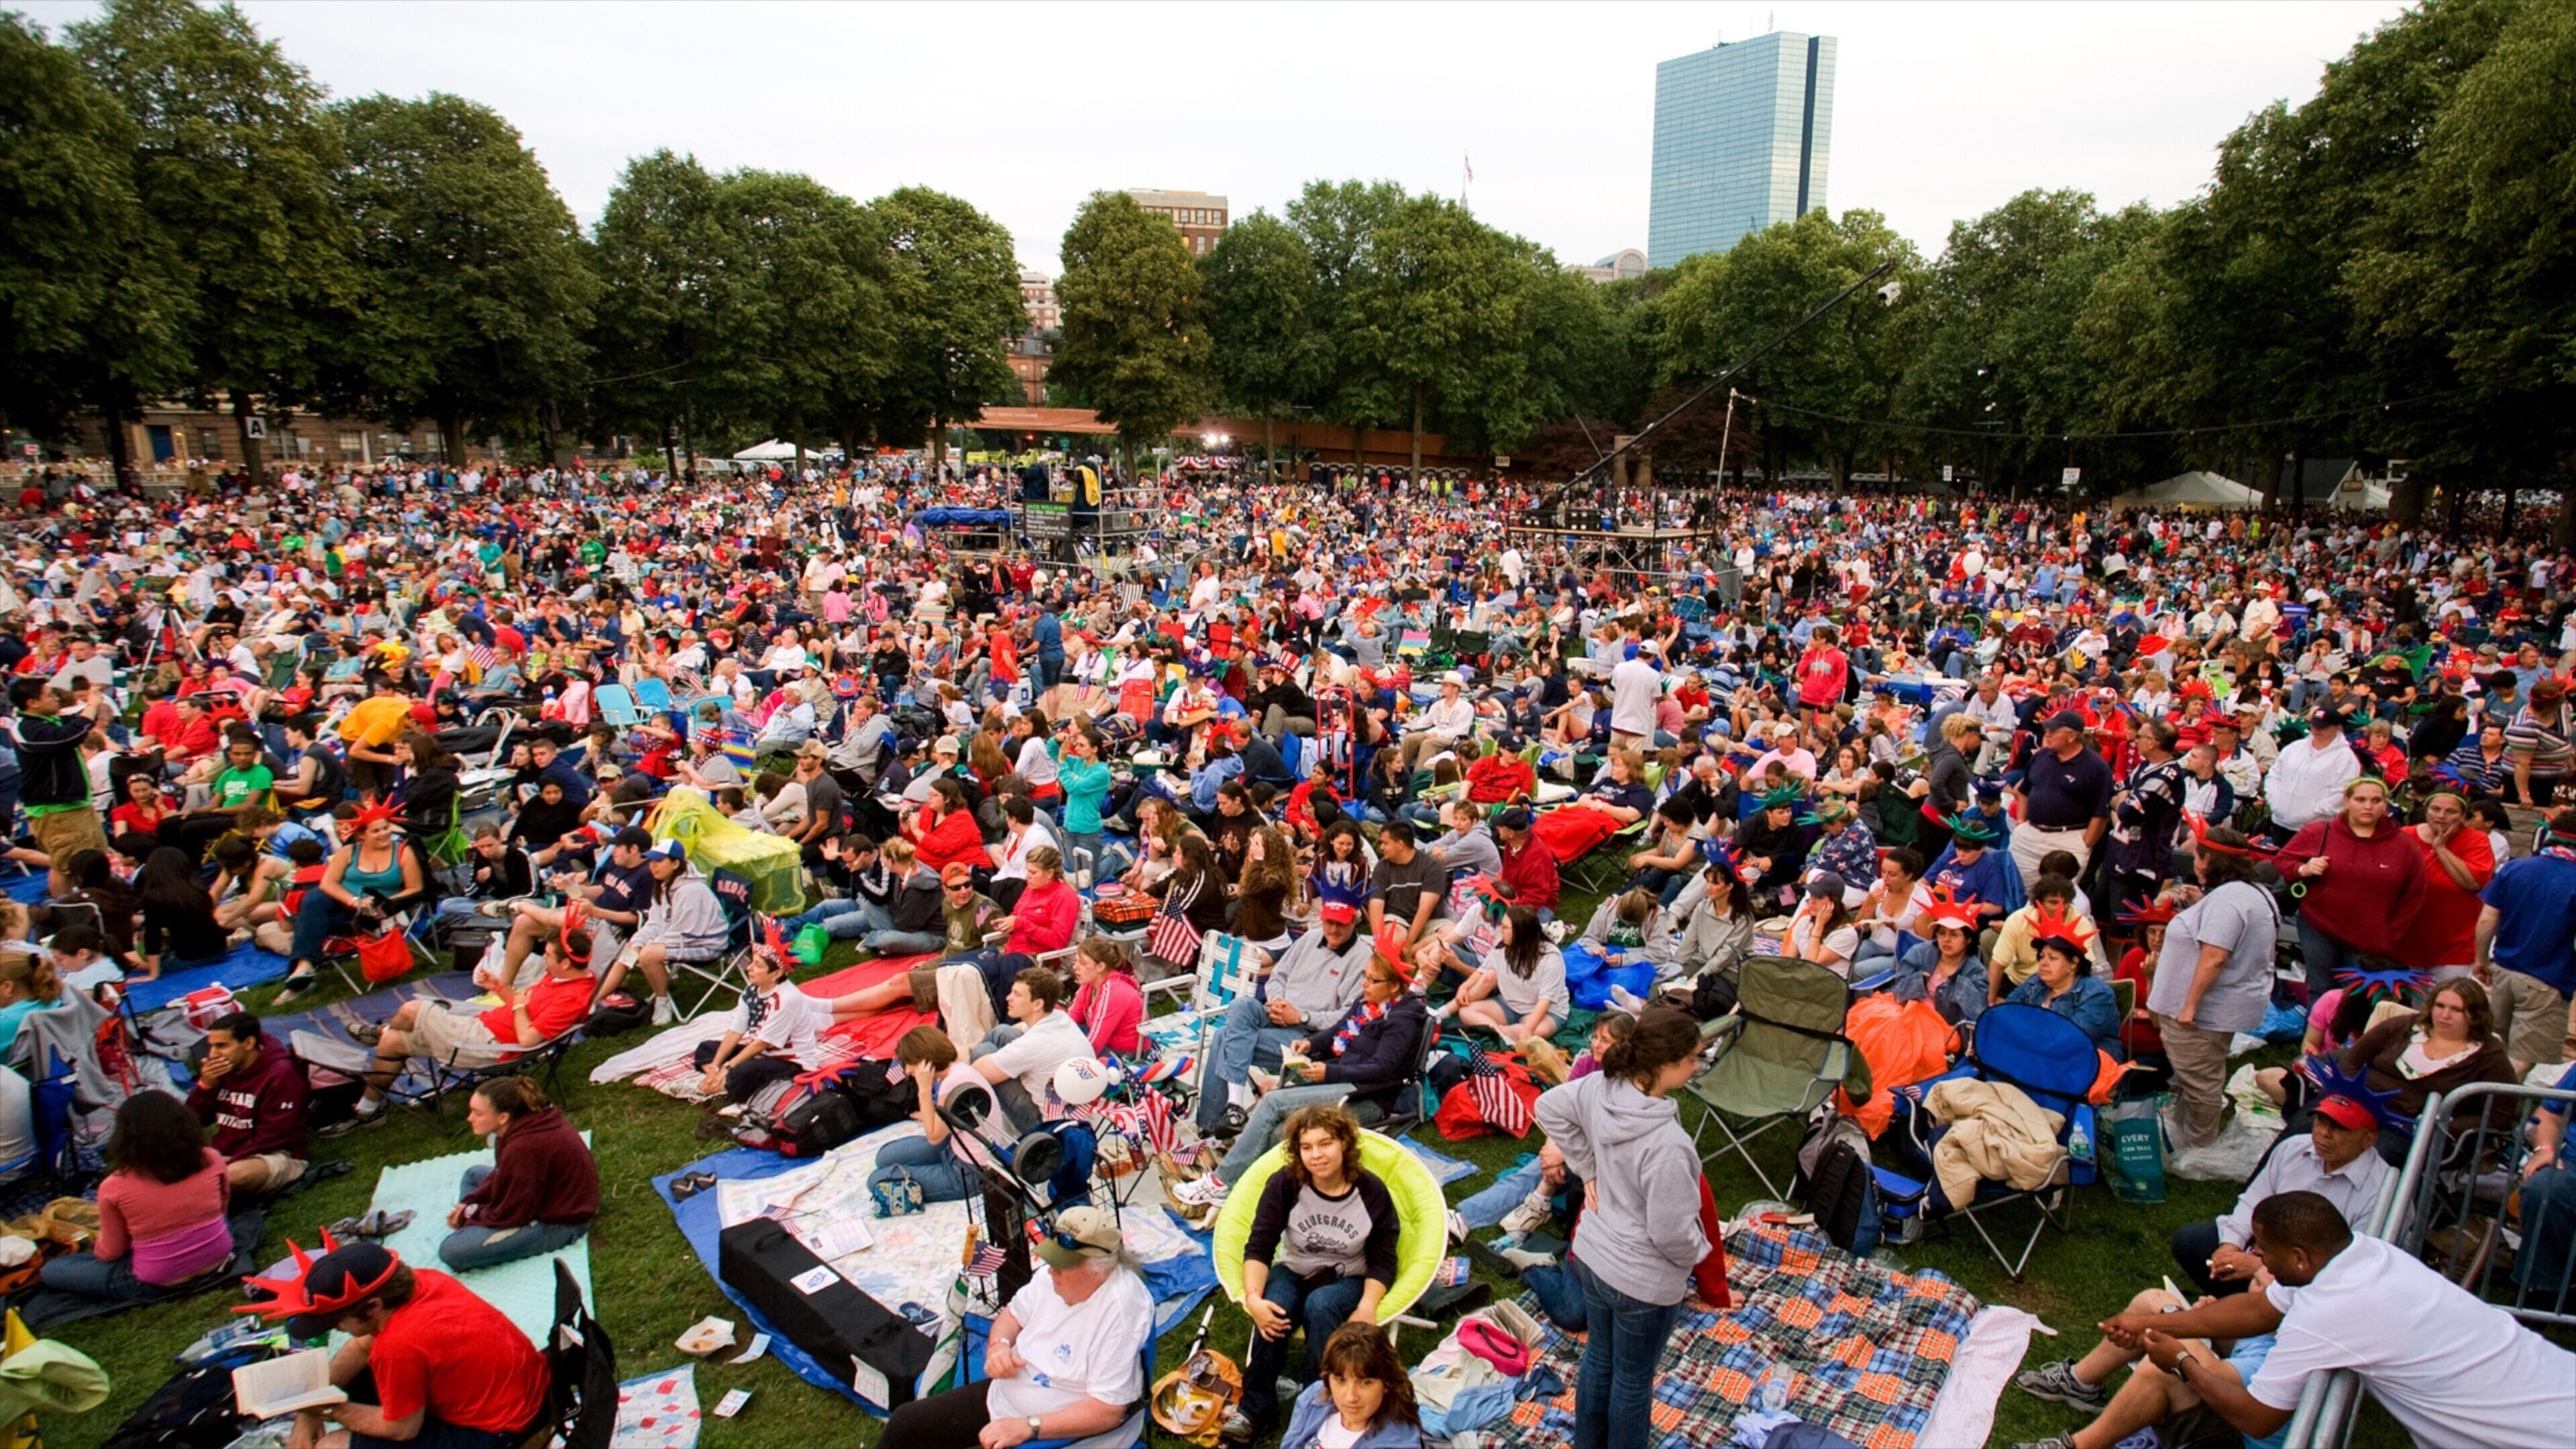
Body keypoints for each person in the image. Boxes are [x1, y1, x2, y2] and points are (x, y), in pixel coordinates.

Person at [2078, 1192, 2576, 1449]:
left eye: (2267, 1255)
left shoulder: (2327, 1314)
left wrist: (2182, 1362)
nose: (2262, 1266)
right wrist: (2156, 1327)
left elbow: (2258, 1416)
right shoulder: (2364, 1256)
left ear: (2299, 1257)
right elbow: (2256, 1309)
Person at [1529, 1006, 1709, 1449]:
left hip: (1592, 1255)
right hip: (1641, 1283)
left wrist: (1587, 1166)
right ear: (1666, 1063)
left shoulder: (1599, 1087)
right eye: (1694, 1058)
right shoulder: (1668, 1145)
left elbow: (1548, 1107)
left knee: (1600, 1360)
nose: (1698, 1066)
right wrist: (1698, 1254)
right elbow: (1671, 1233)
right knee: (1632, 1380)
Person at [877, 1205, 1150, 1449]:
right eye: (1052, 1259)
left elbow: (1106, 1412)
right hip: (1003, 1398)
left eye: (1063, 1266)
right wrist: (999, 1347)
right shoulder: (1050, 1276)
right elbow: (1012, 1316)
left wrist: (1027, 1426)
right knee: (906, 1423)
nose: (1051, 1271)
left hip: (1060, 1430)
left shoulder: (1119, 1313)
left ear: (1098, 1270)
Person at [1178, 944, 1428, 1207]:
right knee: (1278, 1132)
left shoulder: (1402, 1019)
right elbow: (1338, 1030)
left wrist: (1330, 1071)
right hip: (1343, 1080)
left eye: (1372, 979)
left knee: (1273, 1102)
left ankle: (1220, 1184)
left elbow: (1382, 1069)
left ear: (1393, 987)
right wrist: (1311, 1045)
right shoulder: (1368, 1002)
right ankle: (1249, 1185)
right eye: (1364, 976)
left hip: (1365, 1097)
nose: (1364, 984)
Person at [241, 1238, 551, 1449]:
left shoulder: (399, 1346)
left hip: (498, 1430)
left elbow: (401, 1429)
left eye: (338, 1320)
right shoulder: (424, 1281)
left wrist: (328, 1411)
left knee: (329, 1446)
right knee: (356, 1377)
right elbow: (362, 1347)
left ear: (373, 1306)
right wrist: (308, 1409)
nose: (336, 1328)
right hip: (531, 1391)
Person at [1223, 1103, 1404, 1441]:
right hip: (1294, 1268)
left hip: (1347, 1275)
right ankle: (1255, 1409)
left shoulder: (1371, 1191)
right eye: (1306, 1147)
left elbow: (1383, 1259)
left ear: (1345, 1145)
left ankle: (1319, 1404)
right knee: (1274, 1305)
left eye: (1325, 1144)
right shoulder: (1286, 1184)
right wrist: (1253, 1299)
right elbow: (1260, 1245)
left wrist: (1367, 1306)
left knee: (1321, 1306)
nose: (1315, 1155)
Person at [328, 924, 597, 1134]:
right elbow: (523, 1004)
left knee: (414, 1009)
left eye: (548, 955)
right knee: (393, 1044)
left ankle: (378, 1032)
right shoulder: (559, 976)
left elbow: (527, 1039)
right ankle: (369, 1110)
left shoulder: (570, 998)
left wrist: (518, 1008)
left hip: (491, 1046)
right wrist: (499, 988)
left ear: (565, 962)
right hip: (482, 1025)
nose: (543, 958)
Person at [2167, 1074, 2394, 1298]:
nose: (2324, 1133)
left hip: (2317, 1281)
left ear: (2368, 1139)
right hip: (2266, 1247)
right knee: (2191, 1242)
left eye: (2340, 1128)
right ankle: (2241, 1308)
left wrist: (2259, 1268)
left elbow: (2345, 1269)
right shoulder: (2293, 1149)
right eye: (2321, 1121)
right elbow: (2254, 1200)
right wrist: (2230, 1246)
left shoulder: (2381, 1192)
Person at [37, 1091, 242, 1305]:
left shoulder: (114, 1187)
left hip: (157, 1281)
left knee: (53, 1270)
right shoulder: (211, 1158)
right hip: (218, 1255)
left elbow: (111, 1252)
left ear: (125, 1137)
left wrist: (99, 1242)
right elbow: (222, 1209)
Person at [2147, 823, 2280, 1150]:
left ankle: (2198, 1149)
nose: (2194, 861)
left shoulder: (2228, 901)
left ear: (2208, 860)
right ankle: (2184, 1135)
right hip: (2218, 1006)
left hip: (2202, 1011)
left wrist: (2189, 1005)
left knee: (2200, 1083)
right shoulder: (2247, 893)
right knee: (2197, 1076)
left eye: (2196, 855)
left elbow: (2215, 957)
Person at [1197, 902, 1375, 1138]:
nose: (1333, 930)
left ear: (1354, 922)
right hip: (1278, 1012)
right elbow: (1277, 976)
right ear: (1321, 919)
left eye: (1340, 924)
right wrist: (1278, 1001)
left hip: (1309, 1035)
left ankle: (1214, 1123)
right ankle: (1233, 1108)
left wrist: (1300, 1016)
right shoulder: (1310, 938)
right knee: (1241, 1006)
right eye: (1329, 922)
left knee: (1223, 1036)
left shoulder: (1363, 958)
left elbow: (1346, 1018)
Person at [2274, 776, 2426, 996]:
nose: (2368, 806)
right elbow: (2281, 861)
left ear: (2385, 805)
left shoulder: (2404, 846)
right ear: (2346, 801)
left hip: (2370, 937)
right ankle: (2315, 1030)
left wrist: (2390, 934)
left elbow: (2414, 895)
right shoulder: (2318, 832)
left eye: (2376, 801)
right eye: (2360, 799)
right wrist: (2303, 870)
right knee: (2320, 990)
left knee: (2354, 997)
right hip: (2319, 926)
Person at [440, 1077, 596, 1273]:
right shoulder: (518, 1127)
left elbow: (513, 1213)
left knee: (451, 1251)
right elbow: (501, 1173)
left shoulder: (523, 1147)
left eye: (477, 1113)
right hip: (542, 1196)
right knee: (473, 1175)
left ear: (503, 1117)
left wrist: (469, 1213)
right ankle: (477, 1229)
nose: (469, 1118)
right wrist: (470, 1207)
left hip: (560, 1222)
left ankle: (477, 1232)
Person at [2471, 806, 2576, 1073]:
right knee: (2522, 1059)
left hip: (2502, 971)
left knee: (2492, 1046)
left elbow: (2486, 920)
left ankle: (2475, 1104)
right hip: (2548, 982)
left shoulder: (2515, 868)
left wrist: (2481, 960)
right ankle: (2497, 1110)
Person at [599, 841, 730, 1024]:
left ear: (675, 864)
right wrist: (639, 941)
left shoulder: (691, 890)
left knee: (649, 955)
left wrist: (651, 945)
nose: (652, 866)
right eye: (651, 861)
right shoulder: (663, 886)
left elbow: (688, 932)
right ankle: (595, 998)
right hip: (683, 939)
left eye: (659, 861)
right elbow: (656, 922)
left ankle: (662, 1002)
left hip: (707, 944)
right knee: (630, 948)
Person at [690, 940, 834, 1102]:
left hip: (792, 1063)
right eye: (752, 962)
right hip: (763, 1056)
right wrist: (716, 1065)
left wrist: (728, 1067)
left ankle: (722, 1085)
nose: (749, 968)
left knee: (741, 1072)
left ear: (776, 974)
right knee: (706, 1049)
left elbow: (762, 1043)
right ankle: (717, 1081)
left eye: (758, 966)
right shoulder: (752, 990)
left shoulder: (786, 999)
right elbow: (736, 1030)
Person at [186, 1011, 311, 1195]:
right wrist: (206, 1086)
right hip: (224, 1152)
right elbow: (193, 1122)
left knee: (230, 1176)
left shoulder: (281, 1074)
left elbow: (272, 1136)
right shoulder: (224, 1068)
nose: (213, 1054)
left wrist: (223, 1162)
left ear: (248, 1043)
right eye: (210, 1046)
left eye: (221, 1046)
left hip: (274, 1155)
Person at [865, 1025, 988, 1209]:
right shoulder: (956, 1070)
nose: (907, 1071)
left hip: (968, 1172)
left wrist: (924, 1089)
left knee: (875, 1181)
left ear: (923, 1061)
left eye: (909, 1064)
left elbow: (933, 1136)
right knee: (883, 1157)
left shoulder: (953, 1082)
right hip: (952, 1146)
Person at [971, 967, 1091, 1133]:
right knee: (1002, 1032)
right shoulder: (1060, 1017)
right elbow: (1022, 1028)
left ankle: (973, 1113)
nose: (1008, 998)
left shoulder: (1034, 1044)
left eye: (1017, 995)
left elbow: (978, 1071)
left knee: (983, 1052)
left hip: (1048, 1127)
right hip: (1075, 1110)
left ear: (1038, 1004)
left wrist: (961, 1059)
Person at [1278, 1323, 1424, 1449]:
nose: (1351, 1397)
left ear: (1387, 1383)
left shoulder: (1398, 1443)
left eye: (1365, 1383)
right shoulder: (1313, 1397)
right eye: (1340, 1380)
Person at [2004, 904, 2122, 1054]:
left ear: (2073, 963)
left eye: (2053, 958)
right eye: (2041, 957)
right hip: (2035, 1058)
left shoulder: (2098, 994)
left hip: (2084, 1068)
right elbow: (2006, 1013)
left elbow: (2071, 1039)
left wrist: (2022, 1034)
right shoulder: (2035, 981)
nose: (2044, 963)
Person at [1449, 904, 1567, 1048]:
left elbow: (1545, 1000)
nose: (1500, 930)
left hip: (1545, 1011)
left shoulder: (1551, 957)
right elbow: (1482, 970)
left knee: (1534, 1031)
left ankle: (1495, 1030)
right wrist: (1464, 987)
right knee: (1466, 1011)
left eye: (1505, 928)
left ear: (1520, 932)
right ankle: (1504, 1035)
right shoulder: (1502, 947)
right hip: (1509, 1005)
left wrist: (1528, 1030)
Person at [134, 846, 232, 979]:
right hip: (219, 951)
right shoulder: (198, 887)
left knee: (130, 957)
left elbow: (153, 937)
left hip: (190, 959)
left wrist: (153, 974)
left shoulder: (155, 897)